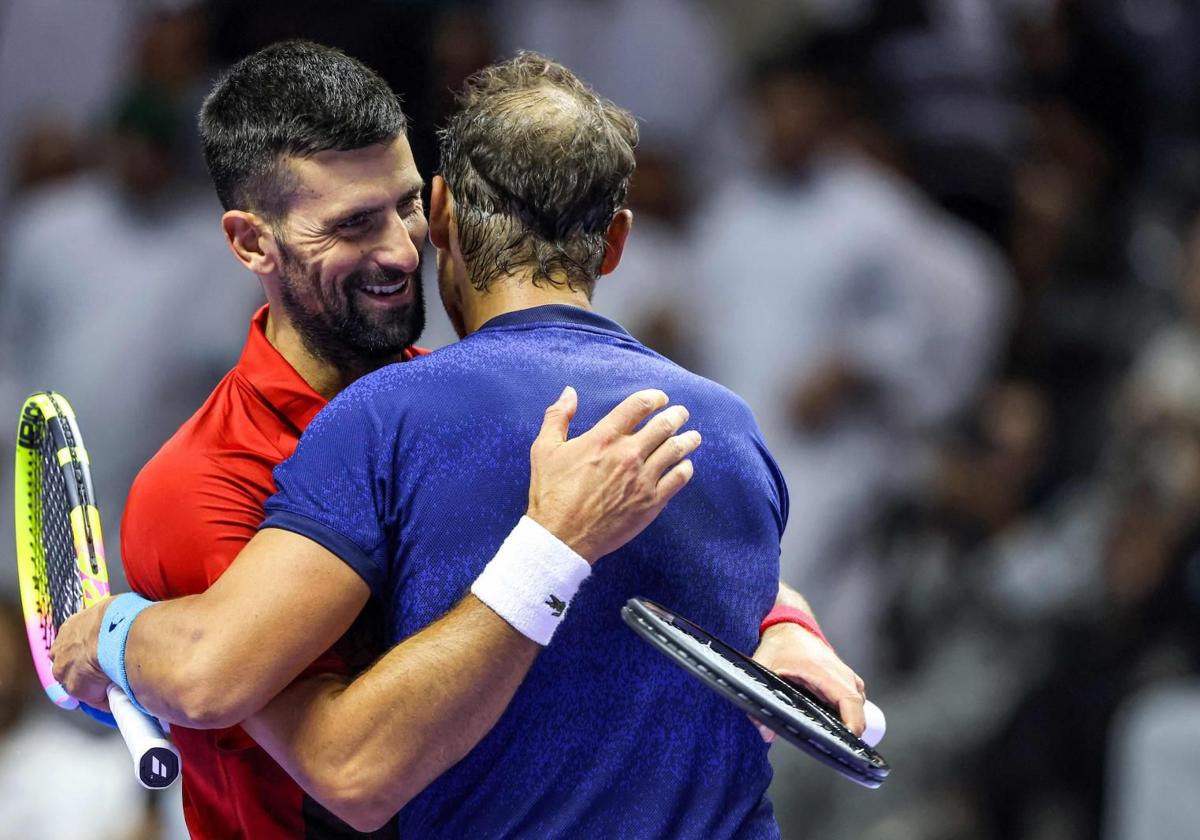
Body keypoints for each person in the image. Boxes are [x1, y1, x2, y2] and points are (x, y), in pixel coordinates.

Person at [52, 45, 868, 837]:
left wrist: (786, 622)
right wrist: (117, 636)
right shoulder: (203, 485)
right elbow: (329, 759)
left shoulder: (430, 407)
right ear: (250, 241)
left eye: (406, 206)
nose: (403, 250)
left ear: (439, 204)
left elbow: (665, 545)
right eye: (353, 224)